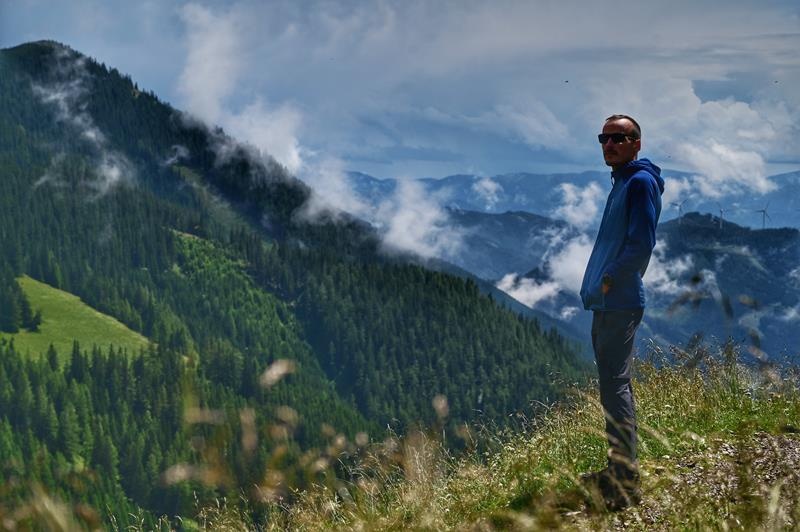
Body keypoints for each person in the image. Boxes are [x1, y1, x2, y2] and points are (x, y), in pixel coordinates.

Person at [579, 114, 664, 510]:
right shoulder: (622, 181)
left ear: (636, 143)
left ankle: (625, 482)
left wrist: (611, 277)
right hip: (607, 300)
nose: (609, 144)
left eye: (619, 138)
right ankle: (617, 469)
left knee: (615, 387)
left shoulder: (640, 182)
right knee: (612, 387)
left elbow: (641, 243)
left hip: (620, 300)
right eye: (604, 138)